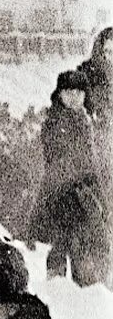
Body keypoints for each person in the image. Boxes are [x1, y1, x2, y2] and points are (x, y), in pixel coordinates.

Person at [34, 68, 108, 286]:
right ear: (60, 94)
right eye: (69, 91)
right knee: (68, 238)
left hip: (82, 187)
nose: (75, 96)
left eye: (79, 91)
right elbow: (58, 157)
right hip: (64, 190)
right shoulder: (57, 121)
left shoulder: (82, 119)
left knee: (76, 239)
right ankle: (64, 286)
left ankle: (76, 285)